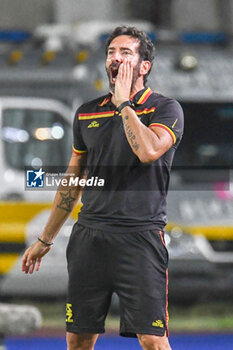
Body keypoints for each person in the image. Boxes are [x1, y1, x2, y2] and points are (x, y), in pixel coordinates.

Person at [22, 26, 184, 350]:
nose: (116, 58)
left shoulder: (166, 109)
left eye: (126, 53)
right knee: (78, 340)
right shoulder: (87, 112)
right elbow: (72, 181)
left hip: (139, 237)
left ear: (144, 66)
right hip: (89, 239)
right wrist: (45, 238)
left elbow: (148, 151)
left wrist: (125, 104)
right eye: (111, 52)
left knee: (153, 340)